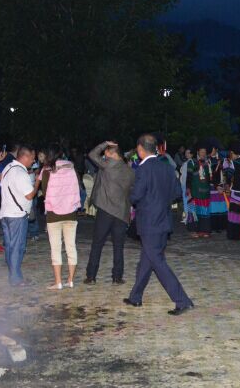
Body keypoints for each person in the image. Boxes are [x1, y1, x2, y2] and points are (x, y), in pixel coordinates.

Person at [124, 133, 194, 315]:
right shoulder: (167, 167)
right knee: (147, 260)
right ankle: (135, 296)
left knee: (157, 261)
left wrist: (131, 195)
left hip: (149, 222)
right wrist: (160, 201)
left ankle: (182, 300)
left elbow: (136, 195)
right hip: (163, 220)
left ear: (140, 149)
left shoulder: (143, 169)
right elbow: (177, 192)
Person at [84, 141, 135, 285]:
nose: (104, 154)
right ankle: (117, 277)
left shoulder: (107, 165)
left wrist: (104, 143)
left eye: (106, 152)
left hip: (106, 210)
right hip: (121, 212)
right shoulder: (130, 171)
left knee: (97, 244)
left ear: (112, 153)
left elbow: (92, 154)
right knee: (118, 246)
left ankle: (91, 276)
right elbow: (132, 191)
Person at [41, 147, 82, 290]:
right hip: (71, 213)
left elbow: (45, 192)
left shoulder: (47, 171)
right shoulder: (71, 169)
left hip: (54, 215)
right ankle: (70, 280)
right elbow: (78, 188)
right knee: (71, 247)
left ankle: (58, 281)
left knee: (56, 248)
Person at [0, 146, 37, 286]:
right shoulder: (21, 173)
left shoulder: (8, 167)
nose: (33, 162)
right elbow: (29, 195)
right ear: (25, 157)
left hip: (5, 213)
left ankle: (13, 274)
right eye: (32, 159)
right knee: (17, 247)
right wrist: (37, 182)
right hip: (17, 215)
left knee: (10, 246)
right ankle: (15, 278)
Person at [187, 145, 214, 238]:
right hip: (195, 191)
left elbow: (210, 178)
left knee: (205, 211)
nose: (203, 154)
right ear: (198, 152)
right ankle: (193, 230)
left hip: (205, 191)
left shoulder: (208, 163)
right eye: (201, 152)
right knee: (194, 211)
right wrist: (189, 190)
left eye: (204, 152)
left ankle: (204, 230)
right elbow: (189, 177)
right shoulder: (192, 162)